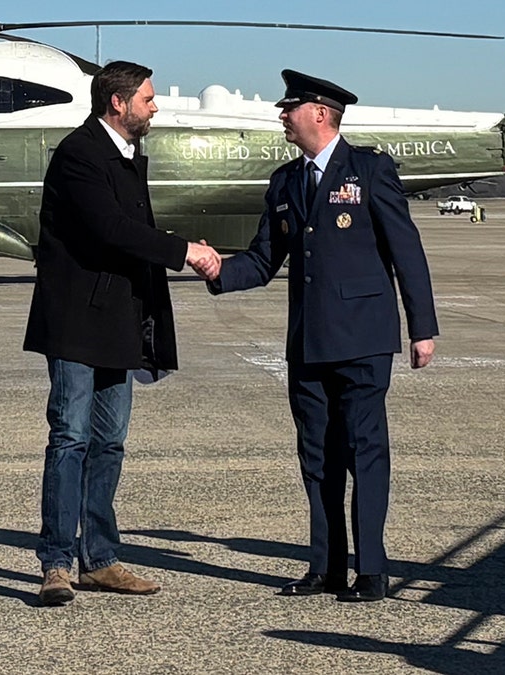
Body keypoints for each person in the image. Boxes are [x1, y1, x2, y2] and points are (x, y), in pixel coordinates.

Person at [202, 70, 439, 602]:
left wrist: (422, 328)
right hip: (308, 345)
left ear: (319, 113)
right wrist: (218, 271)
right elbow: (265, 260)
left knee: (364, 453)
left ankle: (372, 571)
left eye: (290, 108)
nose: (281, 115)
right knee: (317, 458)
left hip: (363, 340)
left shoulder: (370, 170)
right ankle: (326, 568)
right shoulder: (286, 181)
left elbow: (407, 253)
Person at [22, 60, 220, 606]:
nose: (155, 107)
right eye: (148, 99)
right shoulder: (80, 153)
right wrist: (187, 251)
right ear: (119, 103)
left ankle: (101, 561)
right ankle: (58, 563)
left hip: (118, 319)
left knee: (109, 442)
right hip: (76, 321)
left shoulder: (127, 155)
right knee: (71, 438)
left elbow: (134, 236)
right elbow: (111, 230)